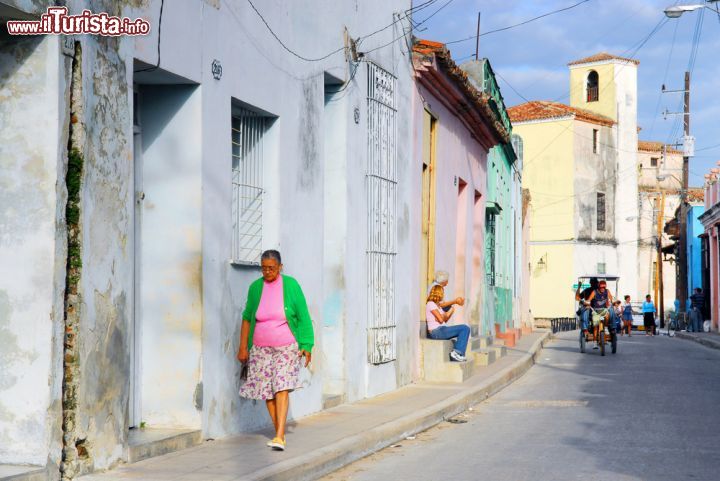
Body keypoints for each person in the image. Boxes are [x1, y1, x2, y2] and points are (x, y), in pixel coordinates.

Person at [237, 250, 314, 451]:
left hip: (286, 347)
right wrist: (243, 347)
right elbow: (247, 319)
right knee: (267, 392)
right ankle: (279, 432)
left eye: (271, 268)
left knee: (281, 386)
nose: (267, 272)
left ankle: (279, 436)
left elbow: (304, 316)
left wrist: (307, 345)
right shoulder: (255, 288)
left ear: (280, 267)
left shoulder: (291, 285)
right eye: (264, 268)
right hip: (260, 348)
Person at [426, 284, 470, 362]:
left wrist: (448, 312)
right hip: (436, 332)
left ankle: (459, 353)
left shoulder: (438, 306)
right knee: (464, 328)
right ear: (439, 293)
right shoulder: (430, 304)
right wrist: (442, 316)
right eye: (442, 293)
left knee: (465, 328)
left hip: (442, 329)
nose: (443, 295)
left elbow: (444, 319)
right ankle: (456, 353)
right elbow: (440, 320)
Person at [586, 279, 613, 348]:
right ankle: (595, 343)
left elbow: (611, 298)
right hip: (595, 311)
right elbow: (589, 299)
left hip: (603, 309)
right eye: (601, 287)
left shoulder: (607, 291)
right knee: (595, 327)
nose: (603, 289)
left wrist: (614, 302)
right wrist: (587, 303)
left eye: (604, 287)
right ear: (599, 287)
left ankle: (606, 327)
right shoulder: (594, 292)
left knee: (608, 315)